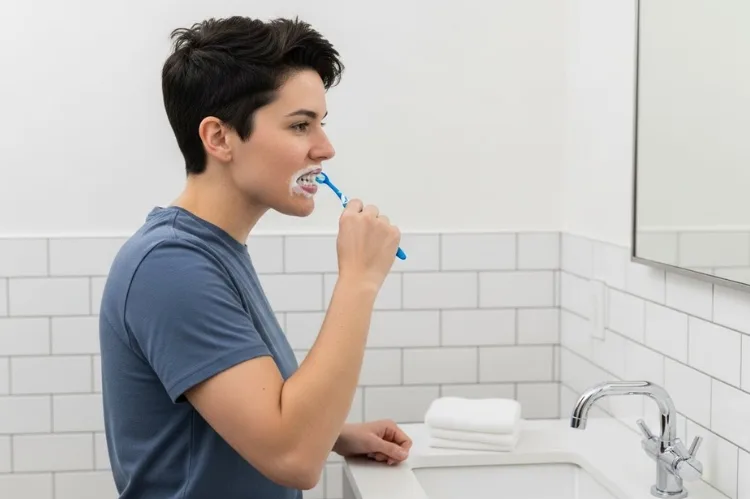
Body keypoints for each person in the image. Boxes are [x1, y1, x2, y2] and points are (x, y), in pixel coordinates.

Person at [98, 16, 411, 499]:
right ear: (219, 138)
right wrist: (359, 279)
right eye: (300, 125)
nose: (325, 148)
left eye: (320, 124)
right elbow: (293, 458)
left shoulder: (210, 251)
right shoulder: (171, 266)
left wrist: (335, 434)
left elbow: (257, 414)